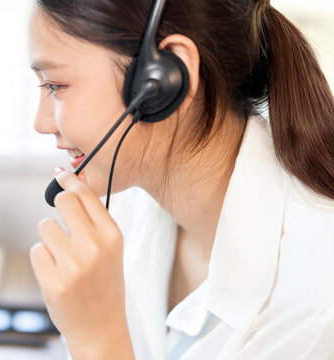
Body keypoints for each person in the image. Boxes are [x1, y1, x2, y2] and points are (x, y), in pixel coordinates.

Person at [26, 0, 334, 359]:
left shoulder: (317, 295)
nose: (41, 123)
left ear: (164, 77)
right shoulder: (128, 200)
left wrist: (97, 340)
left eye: (56, 86)